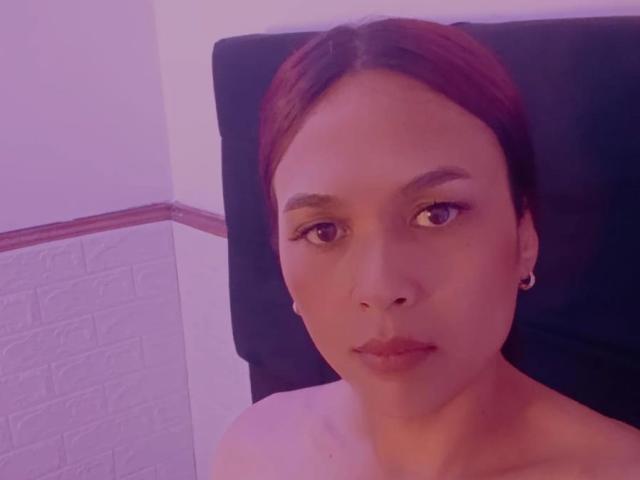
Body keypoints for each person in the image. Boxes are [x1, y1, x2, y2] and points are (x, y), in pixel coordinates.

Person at [212, 17, 640, 479]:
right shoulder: (254, 452)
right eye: (323, 231)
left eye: (437, 214)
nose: (380, 289)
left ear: (525, 237)